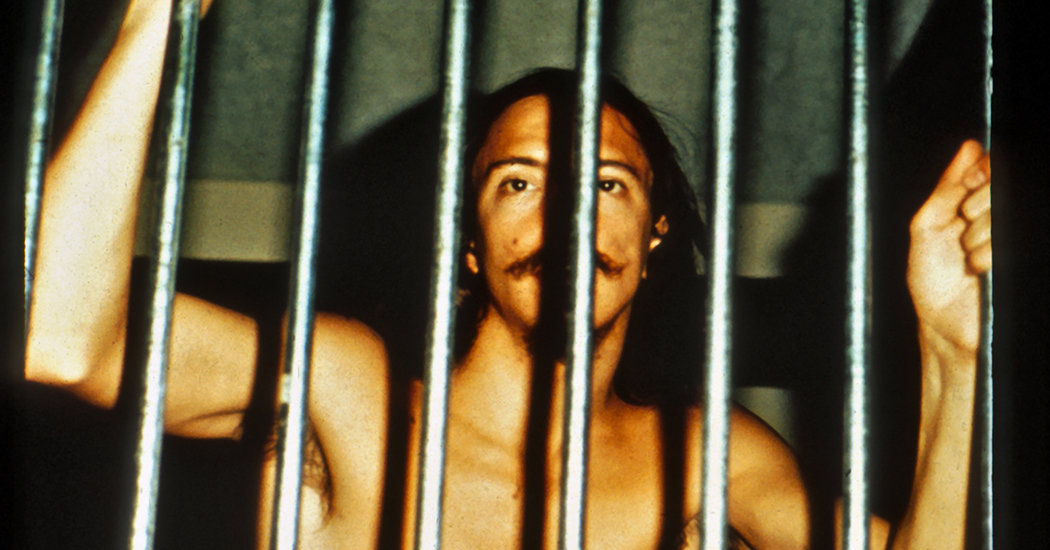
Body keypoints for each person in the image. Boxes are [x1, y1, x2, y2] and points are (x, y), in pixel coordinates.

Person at [24, 0, 992, 548]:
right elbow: (64, 339)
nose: (566, 215)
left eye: (606, 184)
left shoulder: (706, 456)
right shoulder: (352, 391)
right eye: (520, 182)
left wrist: (953, 351)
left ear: (655, 235)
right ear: (469, 241)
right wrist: (155, 20)